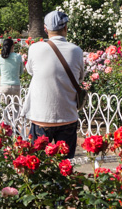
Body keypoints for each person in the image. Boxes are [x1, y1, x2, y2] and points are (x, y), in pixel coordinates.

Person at [22, 10, 83, 160]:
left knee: (39, 164)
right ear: (66, 27)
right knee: (66, 165)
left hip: (41, 116)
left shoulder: (34, 48)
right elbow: (80, 78)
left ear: (45, 29)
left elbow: (30, 71)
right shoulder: (76, 50)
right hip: (67, 116)